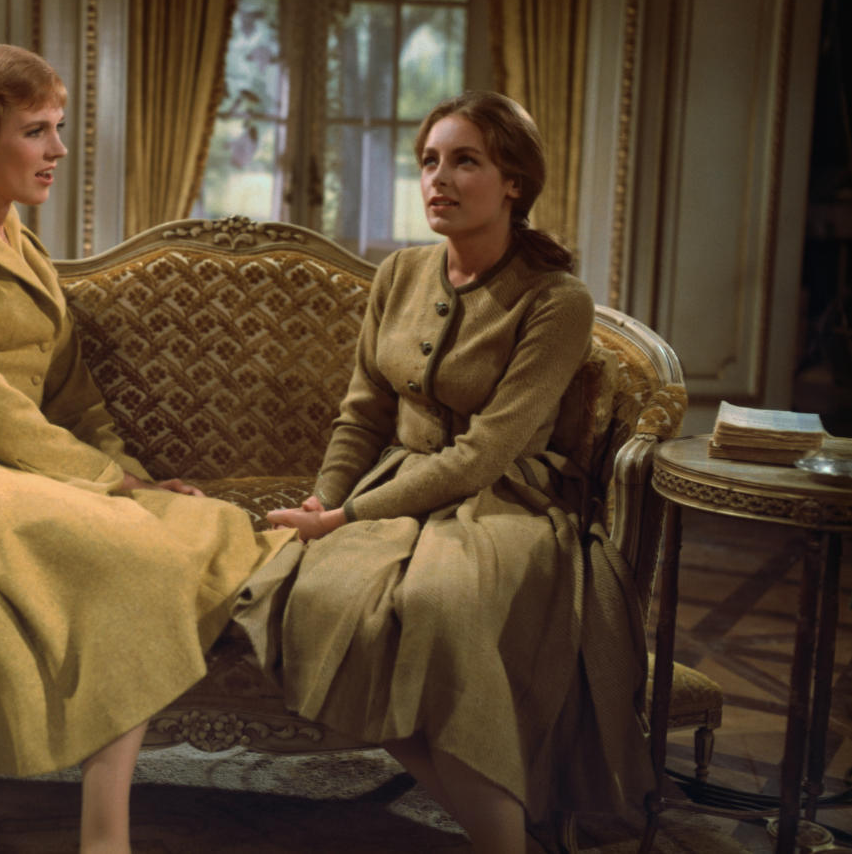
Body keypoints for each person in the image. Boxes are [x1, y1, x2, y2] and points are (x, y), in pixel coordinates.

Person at [0, 41, 289, 854]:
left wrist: (123, 469)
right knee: (137, 551)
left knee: (207, 525)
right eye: (37, 131)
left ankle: (104, 819)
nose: (58, 150)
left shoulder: (14, 233)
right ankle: (105, 832)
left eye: (59, 128)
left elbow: (72, 389)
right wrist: (106, 486)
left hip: (20, 457)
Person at [235, 91, 654, 853]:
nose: (439, 178)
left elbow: (485, 453)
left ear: (514, 182)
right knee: (316, 594)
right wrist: (323, 498)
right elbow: (361, 413)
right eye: (429, 160)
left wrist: (348, 519)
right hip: (390, 494)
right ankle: (510, 832)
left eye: (466, 161)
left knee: (437, 604)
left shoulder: (556, 300)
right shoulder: (399, 273)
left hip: (507, 505)